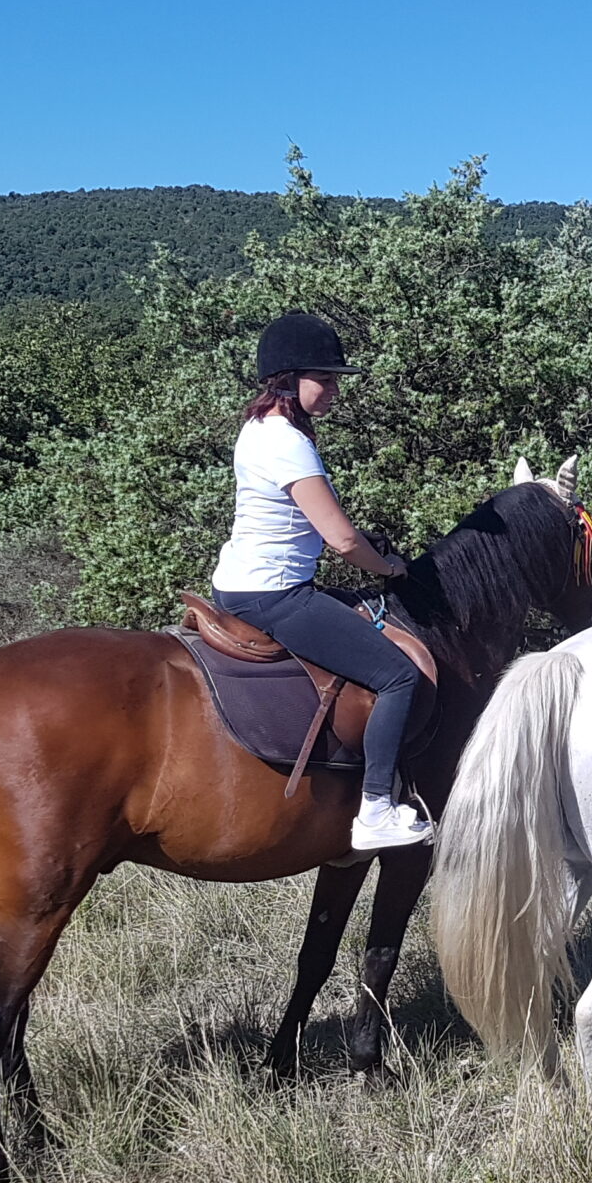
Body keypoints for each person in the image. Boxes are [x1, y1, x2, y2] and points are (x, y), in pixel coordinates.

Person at [210, 312, 433, 851]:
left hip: (238, 583)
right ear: (288, 380)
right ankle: (376, 810)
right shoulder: (287, 442)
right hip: (276, 594)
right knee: (399, 676)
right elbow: (341, 540)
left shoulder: (258, 428)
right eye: (324, 379)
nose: (334, 390)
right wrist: (390, 568)